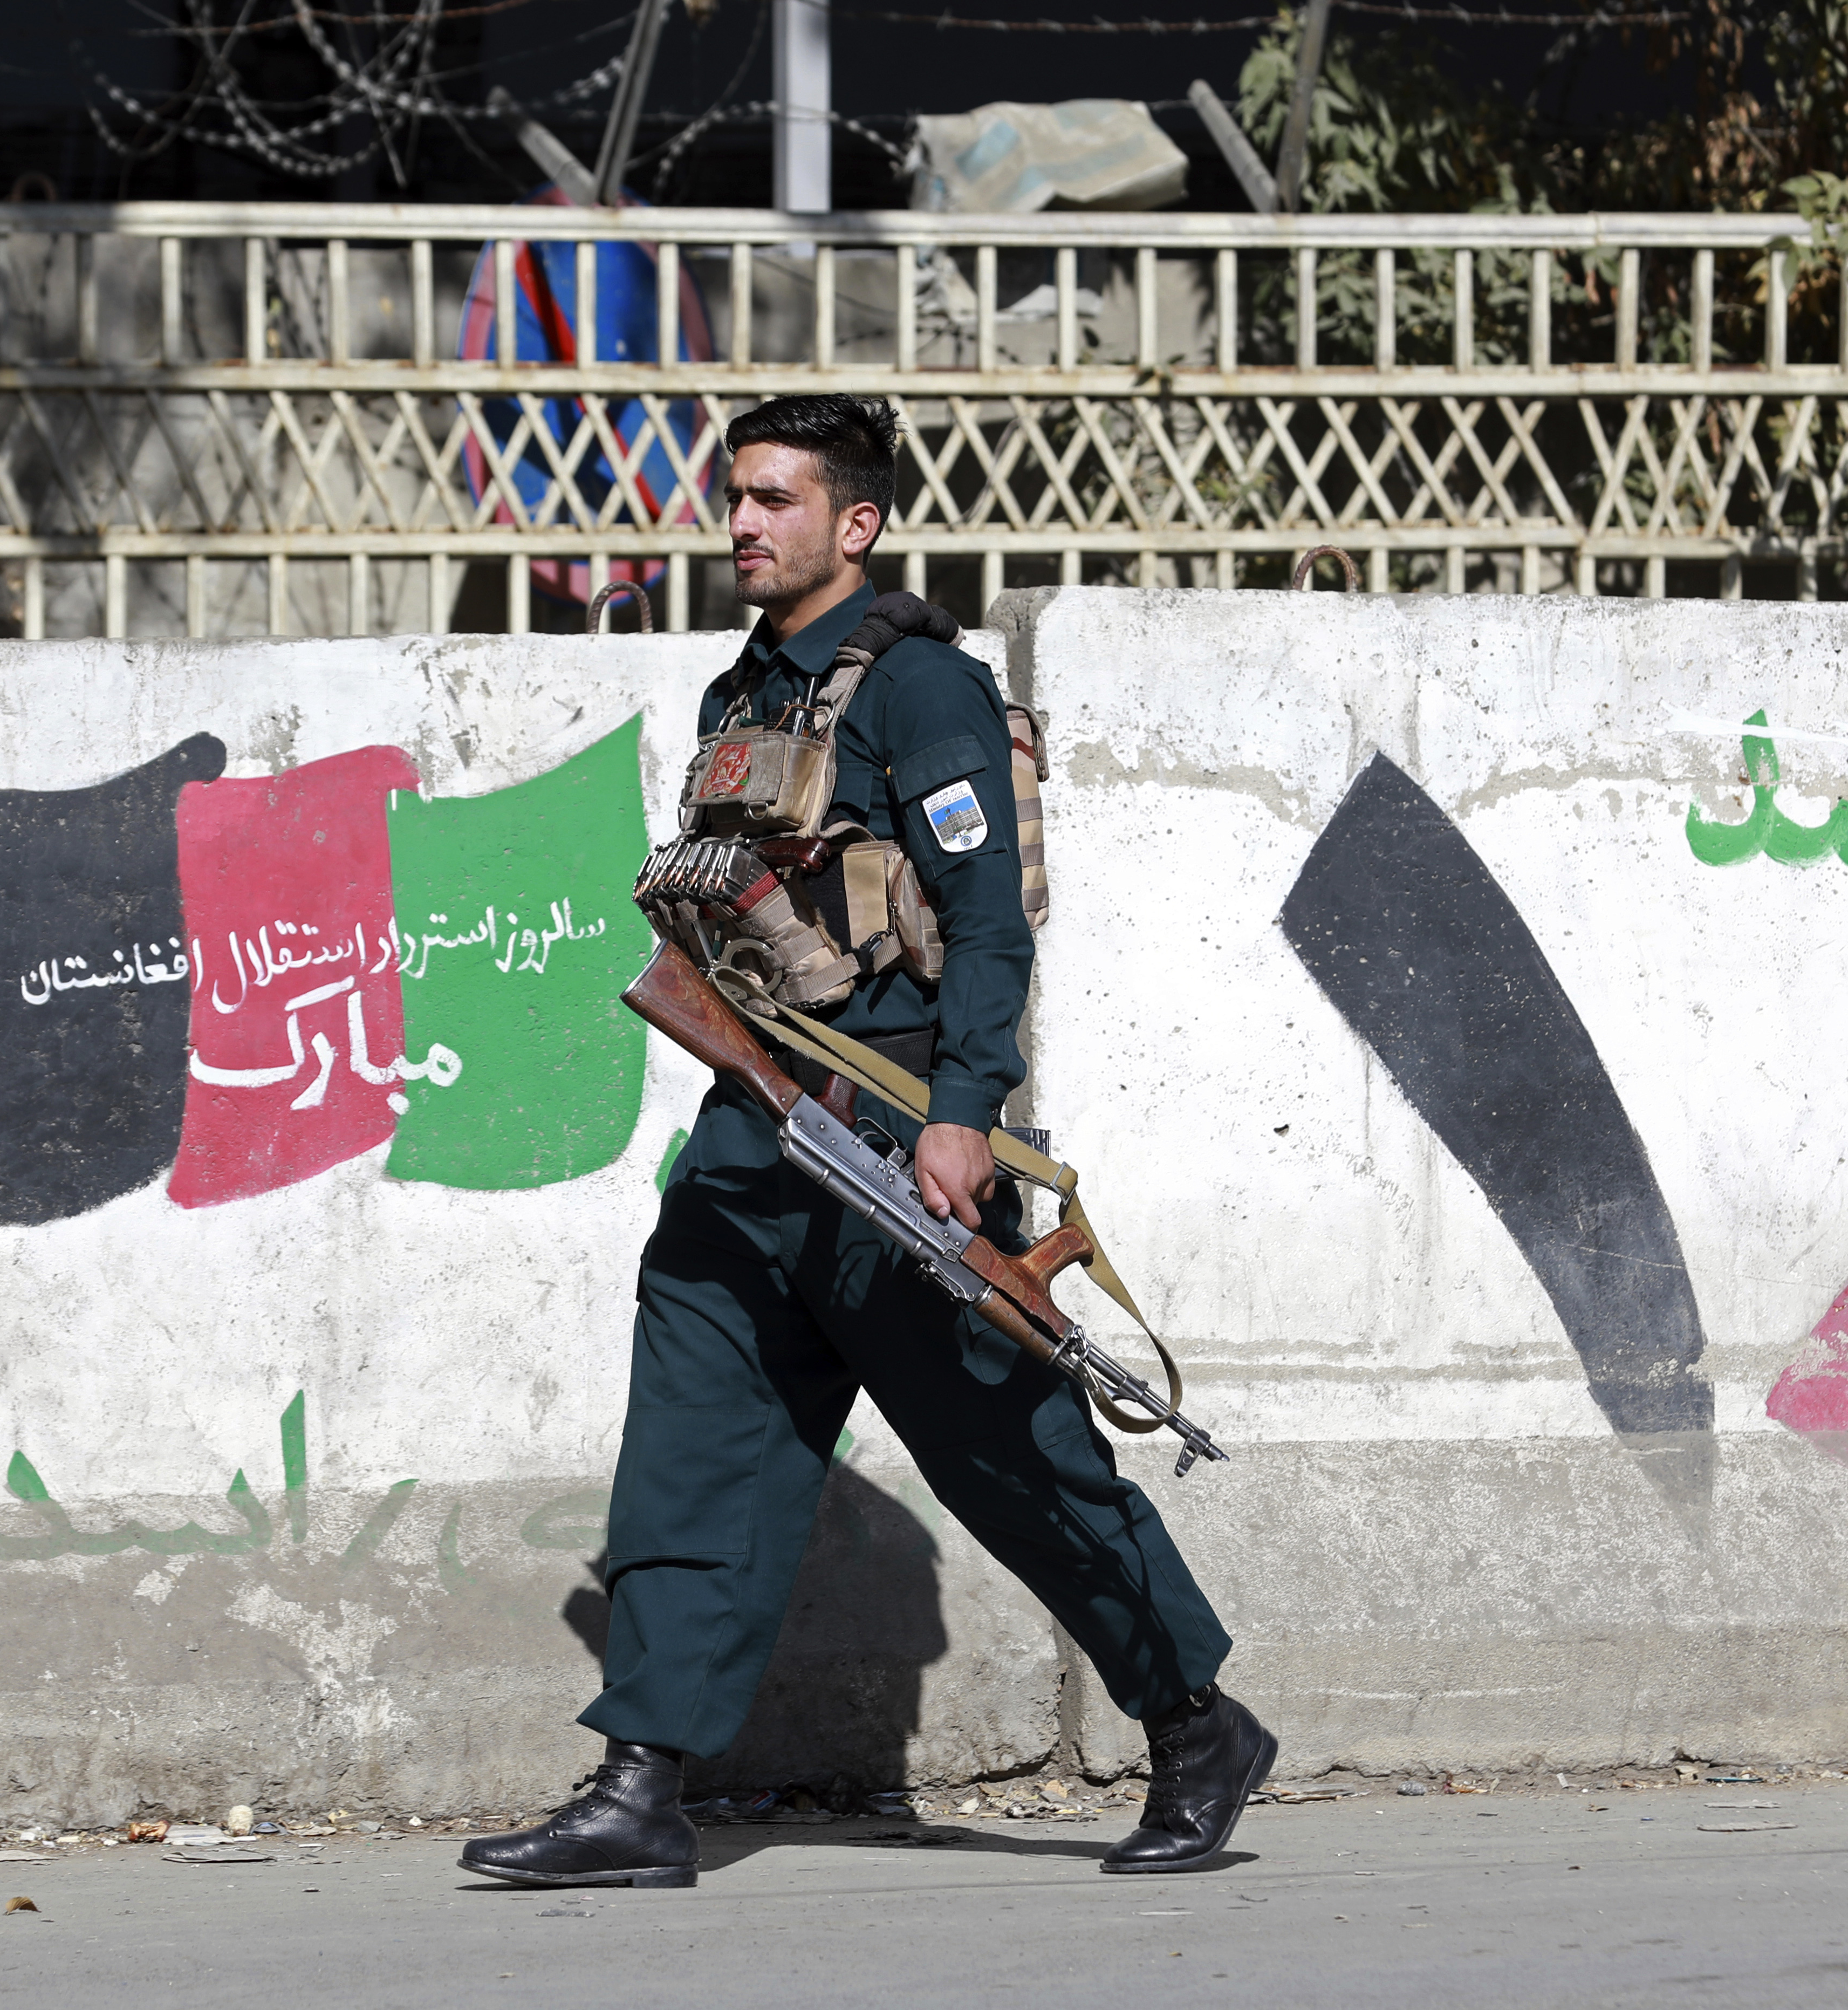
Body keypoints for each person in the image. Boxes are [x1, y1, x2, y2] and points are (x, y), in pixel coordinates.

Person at [459, 395, 1273, 1892]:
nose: (741, 523)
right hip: (753, 1126)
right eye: (735, 496)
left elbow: (983, 926)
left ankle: (1194, 1724)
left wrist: (963, 1111)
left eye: (774, 498)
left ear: (857, 523)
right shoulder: (744, 697)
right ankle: (644, 1785)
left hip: (896, 1124)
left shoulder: (925, 695)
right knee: (695, 1445)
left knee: (1009, 1449)